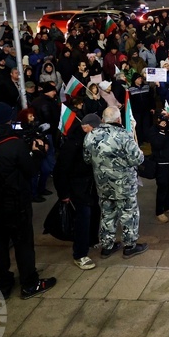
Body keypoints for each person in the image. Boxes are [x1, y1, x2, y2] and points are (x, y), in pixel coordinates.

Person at [0, 102, 57, 299]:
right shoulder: (13, 144)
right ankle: (30, 283)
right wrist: (38, 152)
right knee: (23, 243)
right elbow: (31, 170)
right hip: (15, 202)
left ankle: (3, 284)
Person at [83, 106, 147, 259]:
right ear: (118, 119)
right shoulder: (124, 135)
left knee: (107, 213)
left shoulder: (91, 135)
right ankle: (130, 246)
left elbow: (86, 159)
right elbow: (137, 159)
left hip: (102, 184)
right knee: (128, 213)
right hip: (123, 184)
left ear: (103, 119)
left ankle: (107, 246)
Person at [53, 112, 100, 270]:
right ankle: (80, 254)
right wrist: (64, 194)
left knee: (94, 214)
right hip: (78, 188)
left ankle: (92, 240)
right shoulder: (72, 145)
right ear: (87, 127)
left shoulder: (89, 139)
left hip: (91, 186)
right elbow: (61, 170)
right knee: (83, 219)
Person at [148, 107, 169, 224]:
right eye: (163, 116)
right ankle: (159, 211)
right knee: (162, 187)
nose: (165, 119)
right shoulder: (153, 130)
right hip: (161, 164)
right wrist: (162, 131)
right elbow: (157, 144)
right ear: (157, 119)